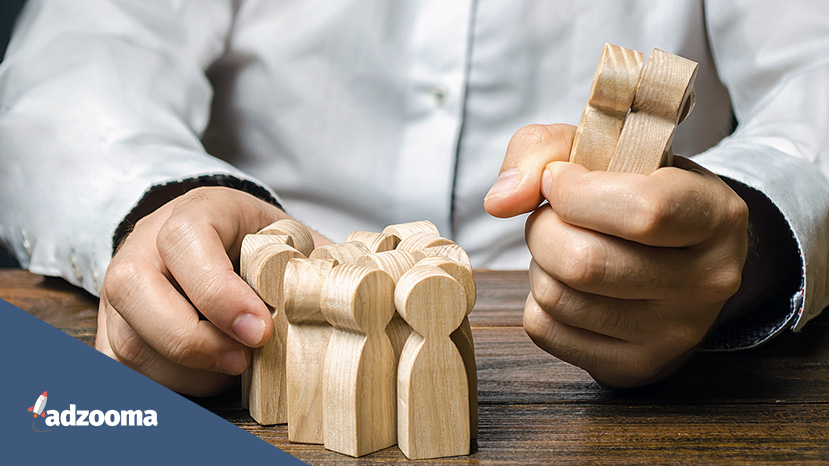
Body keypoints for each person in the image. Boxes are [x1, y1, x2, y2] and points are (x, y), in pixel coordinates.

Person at [0, 0, 826, 396]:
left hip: (623, 376)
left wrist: (745, 233)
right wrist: (175, 208)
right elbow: (79, 63)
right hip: (270, 337)